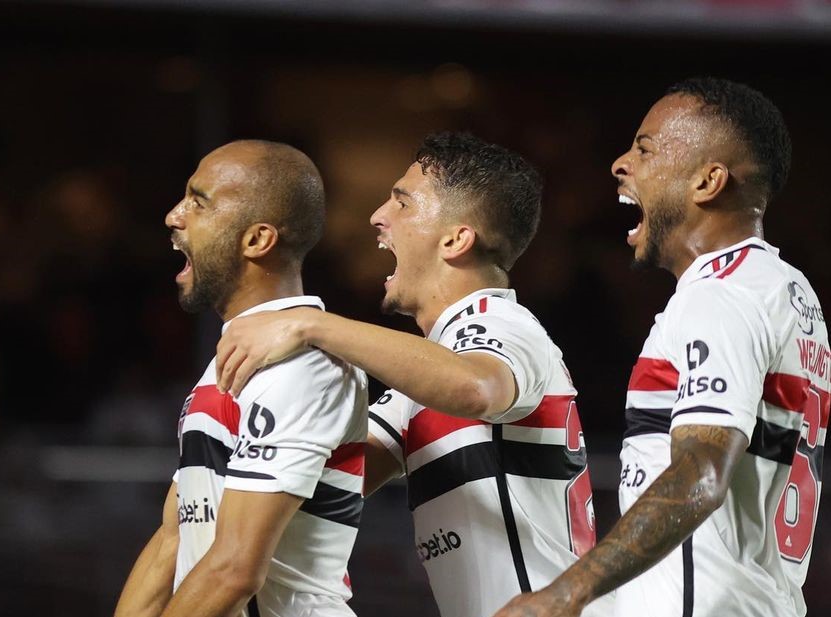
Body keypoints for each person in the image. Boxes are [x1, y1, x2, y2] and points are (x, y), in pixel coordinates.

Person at [216, 133, 611, 617]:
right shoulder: (429, 374)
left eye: (402, 202)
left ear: (456, 238)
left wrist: (310, 324)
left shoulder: (501, 323)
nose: (378, 216)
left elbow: (476, 386)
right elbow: (327, 482)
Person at [493, 77, 828, 617]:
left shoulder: (722, 294)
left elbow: (701, 471)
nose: (620, 164)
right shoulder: (788, 289)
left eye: (644, 148)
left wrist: (567, 593)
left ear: (709, 180)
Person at [112, 140, 369, 617]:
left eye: (198, 201)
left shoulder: (306, 365)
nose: (173, 216)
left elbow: (234, 571)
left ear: (257, 240)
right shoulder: (238, 353)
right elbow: (175, 536)